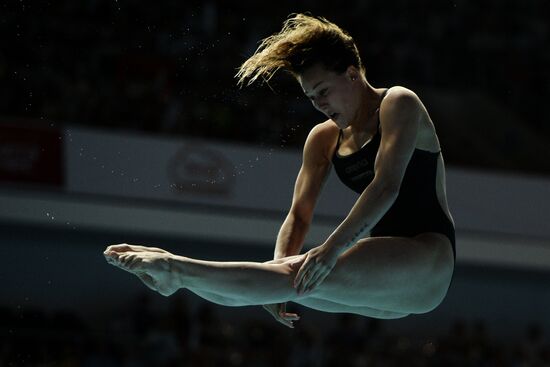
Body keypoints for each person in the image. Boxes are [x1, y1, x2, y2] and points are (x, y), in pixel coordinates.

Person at [104, 13, 455, 328]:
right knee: (281, 282)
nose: (319, 105)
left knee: (295, 275)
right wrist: (277, 268)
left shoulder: (398, 103)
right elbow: (299, 216)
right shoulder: (323, 139)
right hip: (386, 278)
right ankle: (175, 277)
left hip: (427, 260)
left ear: (352, 74)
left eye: (323, 91)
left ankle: (175, 268)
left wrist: (330, 249)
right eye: (310, 98)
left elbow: (386, 187)